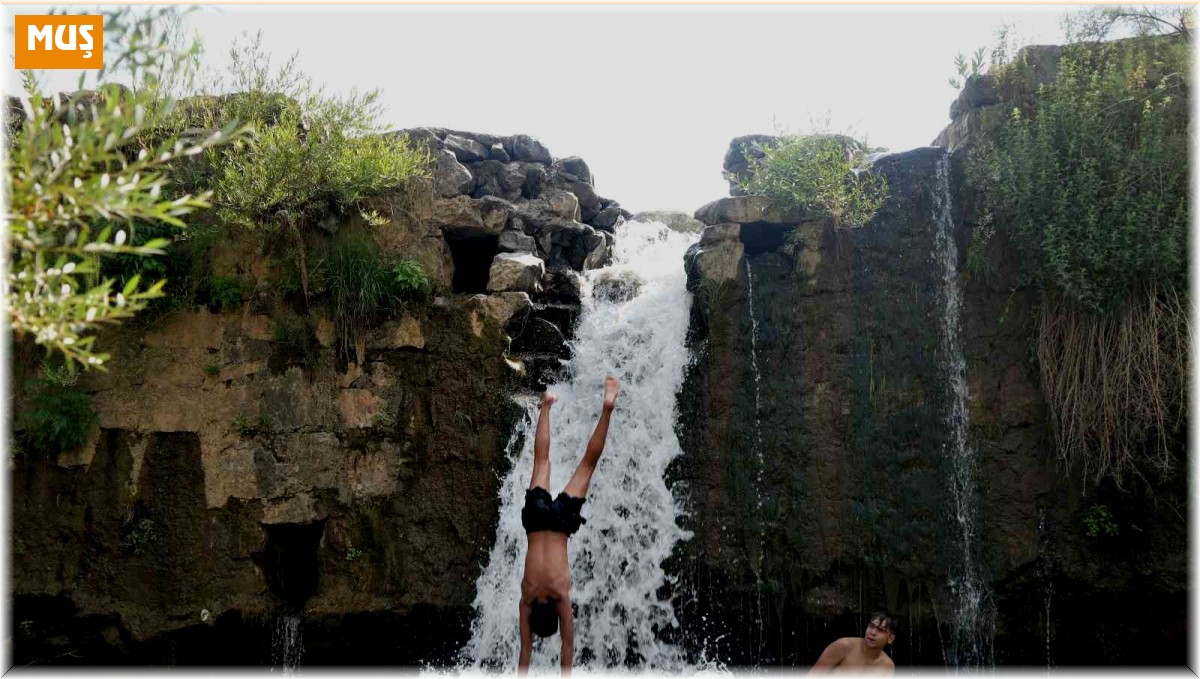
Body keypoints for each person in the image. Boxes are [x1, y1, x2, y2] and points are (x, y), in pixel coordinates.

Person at [518, 375, 619, 676]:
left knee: (588, 463)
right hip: (536, 521)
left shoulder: (562, 596)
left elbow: (568, 649)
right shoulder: (526, 598)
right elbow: (524, 655)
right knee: (541, 461)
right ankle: (546, 407)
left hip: (561, 522)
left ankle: (607, 409)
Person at [809, 612, 897, 674]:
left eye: (880, 630)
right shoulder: (843, 646)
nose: (873, 632)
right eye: (871, 626)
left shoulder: (887, 666)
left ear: (890, 639)